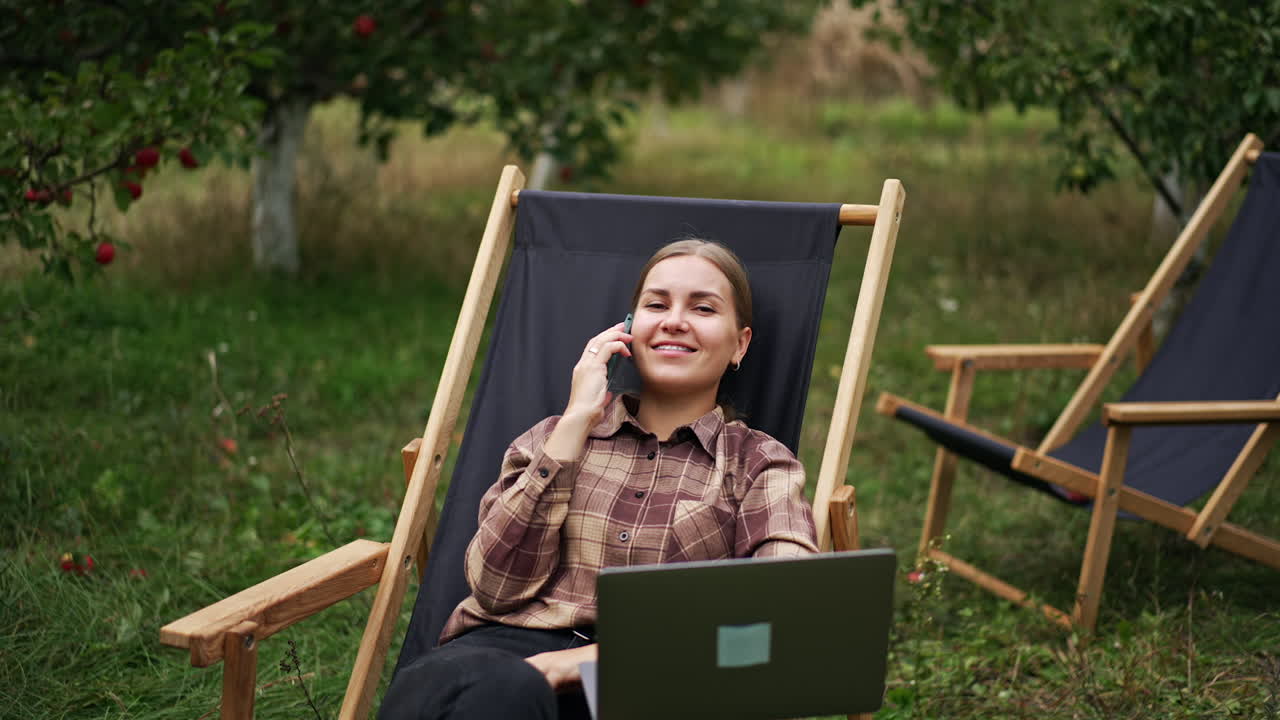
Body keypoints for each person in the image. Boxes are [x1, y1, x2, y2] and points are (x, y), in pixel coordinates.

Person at [380, 239, 819, 720]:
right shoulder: (550, 438)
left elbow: (786, 607)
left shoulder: (758, 464)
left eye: (703, 308)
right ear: (627, 330)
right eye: (656, 305)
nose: (674, 320)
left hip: (654, 673)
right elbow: (494, 587)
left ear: (740, 344)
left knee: (506, 693)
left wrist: (577, 664)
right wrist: (574, 423)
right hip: (495, 653)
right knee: (460, 689)